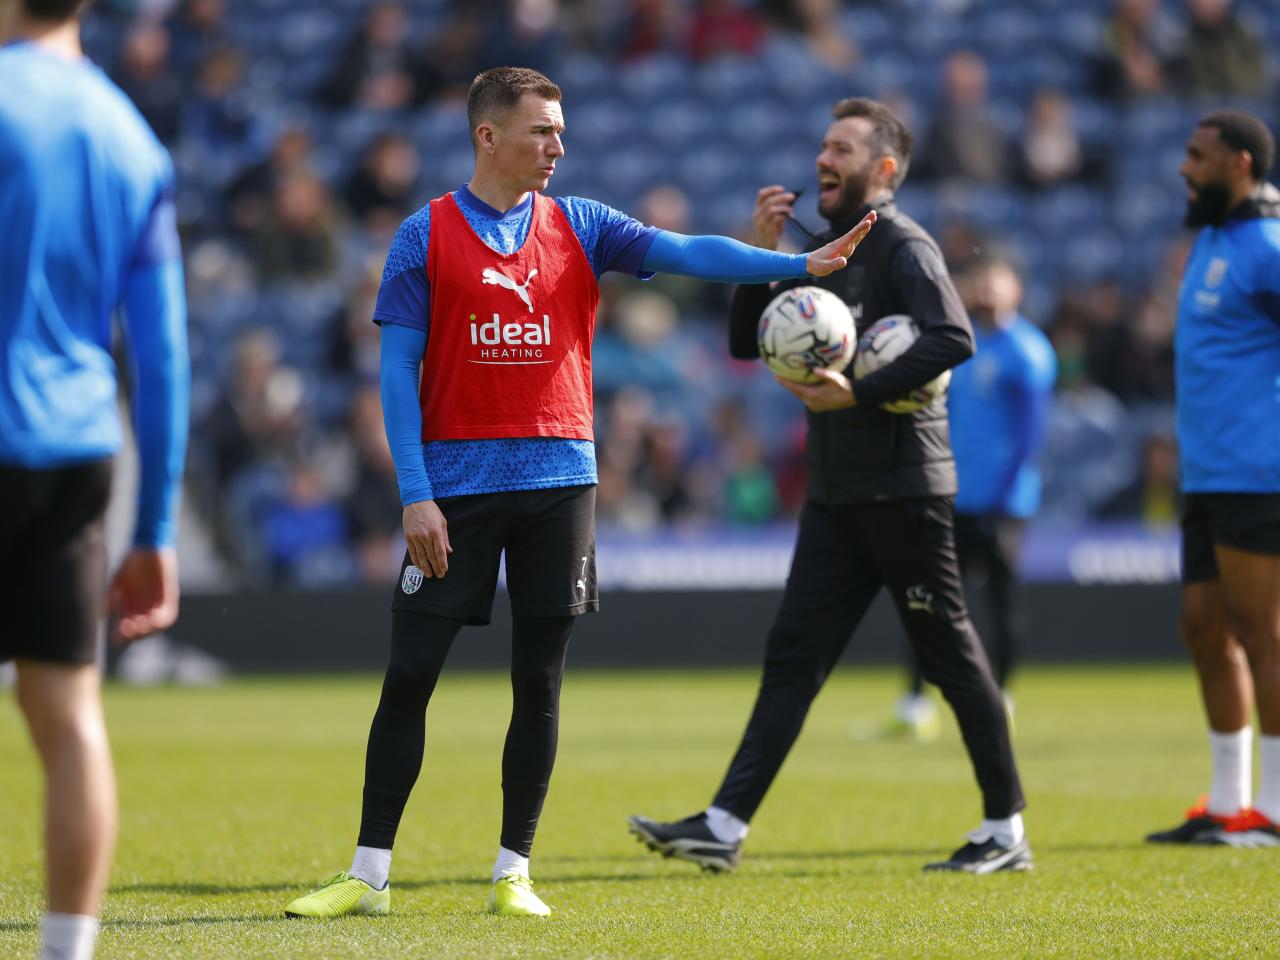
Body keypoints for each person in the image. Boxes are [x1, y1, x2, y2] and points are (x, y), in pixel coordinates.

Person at [282, 66, 875, 921]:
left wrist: (796, 262)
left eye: (561, 131)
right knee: (410, 674)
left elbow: (685, 253)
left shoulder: (582, 224)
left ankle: (513, 871)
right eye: (542, 131)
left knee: (541, 680)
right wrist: (416, 494)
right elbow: (394, 372)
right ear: (488, 136)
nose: (559, 146)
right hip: (452, 490)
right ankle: (368, 875)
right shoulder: (425, 234)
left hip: (562, 483)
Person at [628, 97, 1031, 875]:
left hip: (905, 489)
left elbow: (955, 338)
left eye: (841, 149)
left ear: (882, 169)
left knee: (948, 654)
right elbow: (747, 343)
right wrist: (762, 251)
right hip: (837, 491)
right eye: (822, 145)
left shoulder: (906, 247)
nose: (823, 158)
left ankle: (1006, 831)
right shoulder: (818, 251)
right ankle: (723, 824)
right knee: (793, 657)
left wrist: (860, 393)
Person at [0, 2, 190, 959]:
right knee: (69, 718)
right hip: (77, 452)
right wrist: (153, 528)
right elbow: (161, 360)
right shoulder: (130, 137)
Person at [1147, 111, 1280, 848]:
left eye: (1197, 156)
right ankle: (1229, 803)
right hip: (1206, 474)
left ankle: (1278, 810)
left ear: (1239, 163)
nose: (1183, 167)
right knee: (1203, 630)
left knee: (1264, 633)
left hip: (1258, 471)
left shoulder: (1267, 246)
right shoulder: (1215, 238)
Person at [892, 253, 1057, 739]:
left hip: (1002, 502)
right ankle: (914, 704)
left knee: (1000, 601)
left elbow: (1031, 436)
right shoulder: (959, 342)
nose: (985, 289)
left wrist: (1005, 493)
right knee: (927, 598)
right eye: (979, 279)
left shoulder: (1027, 351)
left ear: (1016, 289)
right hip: (951, 493)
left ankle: (999, 699)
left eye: (995, 280)